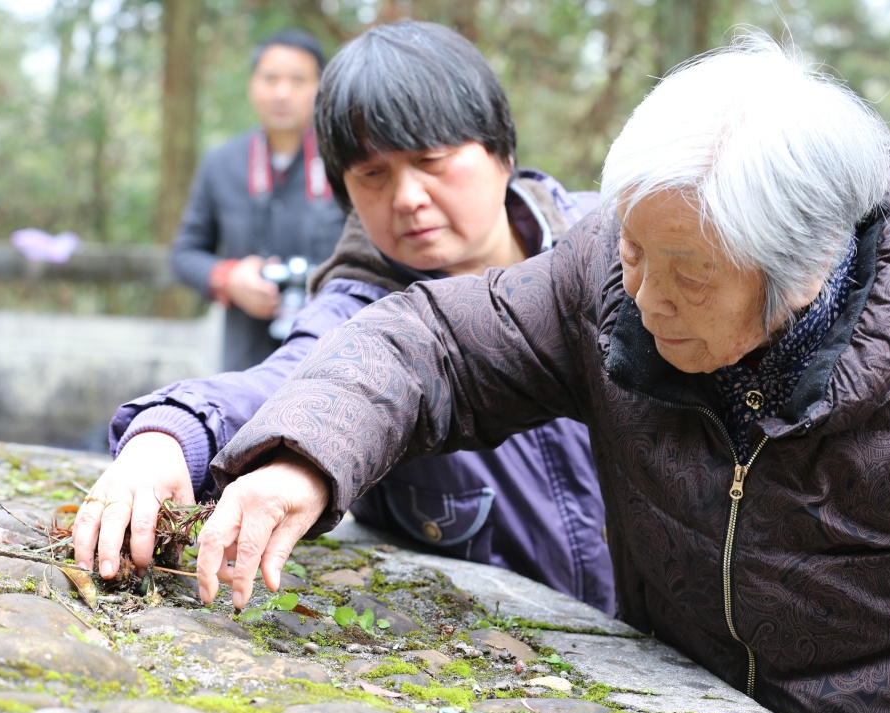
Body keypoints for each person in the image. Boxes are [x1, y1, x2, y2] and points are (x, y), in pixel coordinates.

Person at [193, 35, 890, 713]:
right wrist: (302, 458)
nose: (644, 300)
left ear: (803, 271)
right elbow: (433, 341)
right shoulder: (606, 282)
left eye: (687, 274)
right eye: (631, 252)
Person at [72, 22, 613, 614]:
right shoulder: (362, 310)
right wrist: (170, 436)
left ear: (501, 150)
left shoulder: (618, 243)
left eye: (432, 160)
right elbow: (293, 383)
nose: (407, 197)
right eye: (372, 175)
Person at [171, 29, 347, 371]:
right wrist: (229, 278)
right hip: (246, 359)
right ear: (252, 85)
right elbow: (184, 253)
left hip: (332, 355)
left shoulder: (346, 162)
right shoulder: (222, 163)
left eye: (298, 80)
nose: (283, 92)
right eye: (271, 79)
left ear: (320, 88)